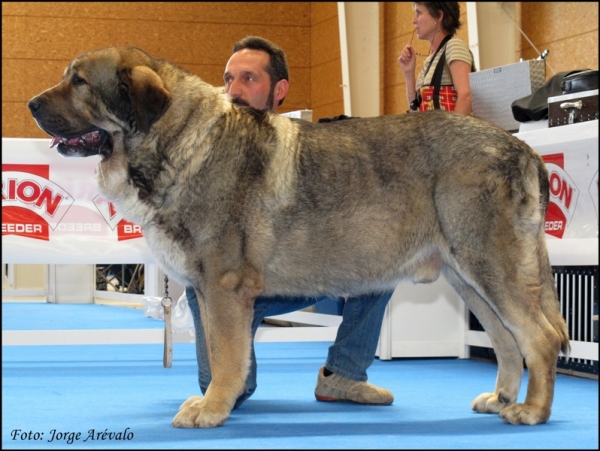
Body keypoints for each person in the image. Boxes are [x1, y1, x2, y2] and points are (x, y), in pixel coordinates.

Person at [185, 35, 394, 410]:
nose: (233, 91)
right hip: (233, 282)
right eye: (228, 79)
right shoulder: (205, 154)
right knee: (232, 390)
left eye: (248, 79)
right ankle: (230, 378)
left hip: (301, 275)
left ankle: (344, 375)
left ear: (279, 89)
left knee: (386, 253)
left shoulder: (313, 150)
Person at [398, 2, 474, 115]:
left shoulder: (454, 46)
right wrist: (409, 73)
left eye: (419, 13)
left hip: (448, 131)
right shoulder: (430, 59)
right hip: (432, 131)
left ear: (438, 16)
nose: (414, 20)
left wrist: (452, 133)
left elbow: (466, 96)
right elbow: (416, 111)